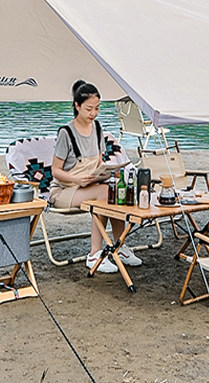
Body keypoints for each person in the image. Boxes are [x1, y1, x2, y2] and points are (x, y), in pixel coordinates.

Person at [49, 80, 143, 273]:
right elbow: (55, 171)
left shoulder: (98, 128)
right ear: (77, 106)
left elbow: (98, 163)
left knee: (114, 189)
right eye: (89, 109)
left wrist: (106, 173)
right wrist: (77, 180)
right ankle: (95, 254)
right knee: (105, 193)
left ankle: (119, 247)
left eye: (97, 108)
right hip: (64, 190)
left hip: (87, 185)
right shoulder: (66, 133)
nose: (93, 113)